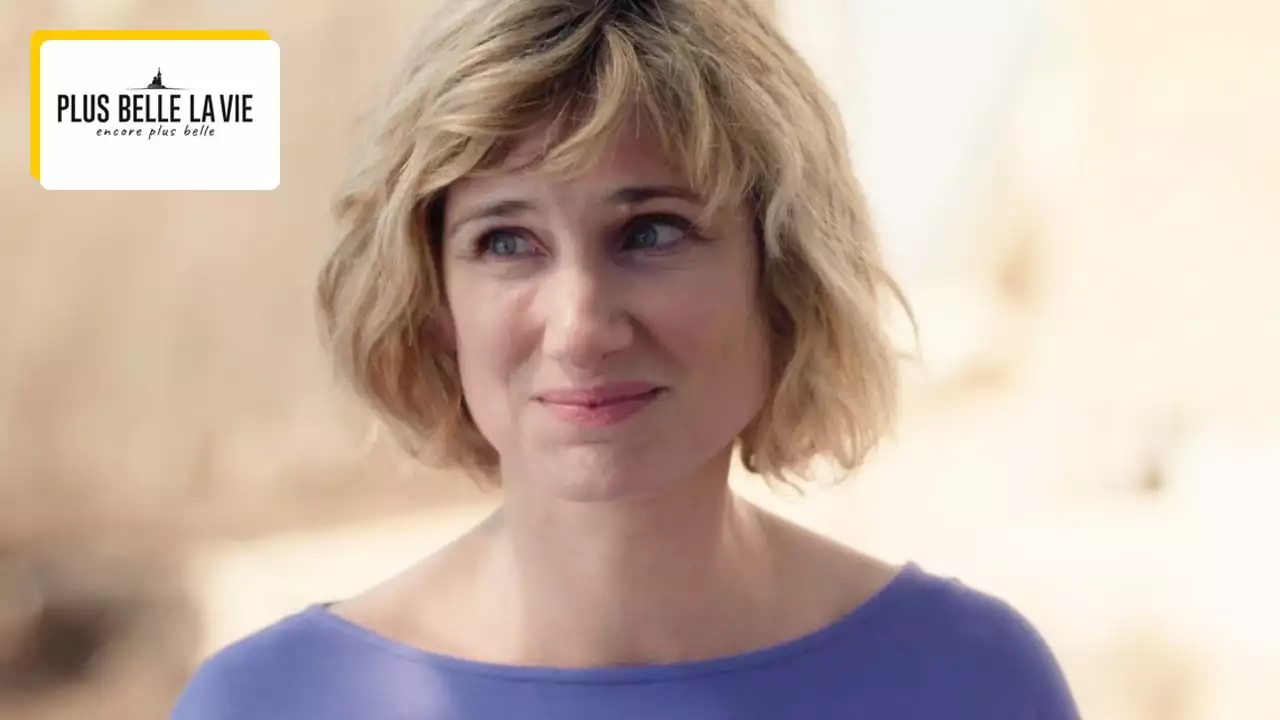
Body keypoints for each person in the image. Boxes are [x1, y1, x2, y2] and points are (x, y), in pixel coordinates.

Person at [171, 0, 1081, 717]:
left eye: (651, 232)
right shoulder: (268, 705)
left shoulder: (970, 683)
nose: (578, 327)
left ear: (783, 278)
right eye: (506, 241)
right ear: (433, 302)